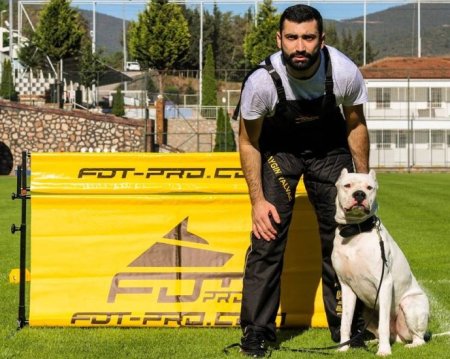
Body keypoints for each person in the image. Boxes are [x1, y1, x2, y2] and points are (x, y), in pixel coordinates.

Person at [236, 4, 370, 357]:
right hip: (279, 154)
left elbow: (355, 124)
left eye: (308, 38)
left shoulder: (343, 71)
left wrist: (360, 181)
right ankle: (257, 331)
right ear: (279, 38)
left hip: (329, 151)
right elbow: (248, 140)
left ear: (321, 40)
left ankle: (350, 327)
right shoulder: (261, 81)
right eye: (292, 37)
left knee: (342, 237)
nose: (299, 46)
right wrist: (257, 201)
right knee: (266, 237)